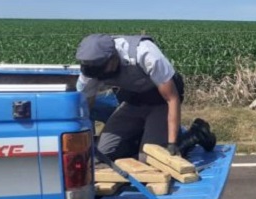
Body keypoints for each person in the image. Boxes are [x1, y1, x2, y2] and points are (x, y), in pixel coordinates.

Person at [75, 33, 184, 161]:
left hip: (160, 103)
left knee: (149, 159)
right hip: (132, 102)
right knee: (102, 154)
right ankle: (140, 141)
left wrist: (172, 143)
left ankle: (191, 137)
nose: (100, 75)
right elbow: (85, 105)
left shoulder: (144, 53)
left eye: (103, 70)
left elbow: (172, 98)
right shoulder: (91, 69)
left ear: (113, 58)